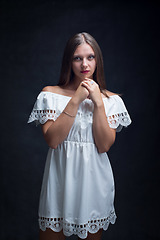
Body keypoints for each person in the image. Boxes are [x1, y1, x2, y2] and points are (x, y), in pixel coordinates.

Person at [28, 32, 131, 240]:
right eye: (78, 58)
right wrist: (76, 99)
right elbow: (53, 140)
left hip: (94, 182)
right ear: (69, 61)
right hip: (59, 181)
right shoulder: (50, 95)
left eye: (90, 57)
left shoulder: (111, 101)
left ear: (97, 60)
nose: (85, 64)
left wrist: (98, 103)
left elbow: (103, 146)